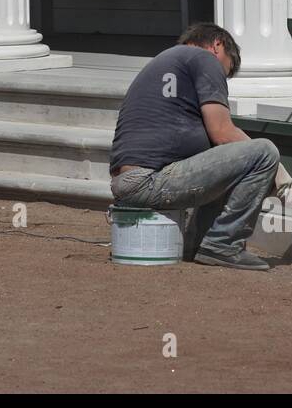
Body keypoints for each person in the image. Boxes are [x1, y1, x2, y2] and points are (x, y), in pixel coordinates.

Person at [109, 23, 282, 271]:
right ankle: (223, 244)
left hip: (129, 179)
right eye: (227, 69)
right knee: (264, 152)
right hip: (149, 180)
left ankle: (197, 244)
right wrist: (284, 179)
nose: (223, 79)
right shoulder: (204, 58)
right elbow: (223, 133)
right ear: (218, 46)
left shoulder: (165, 61)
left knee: (228, 158)